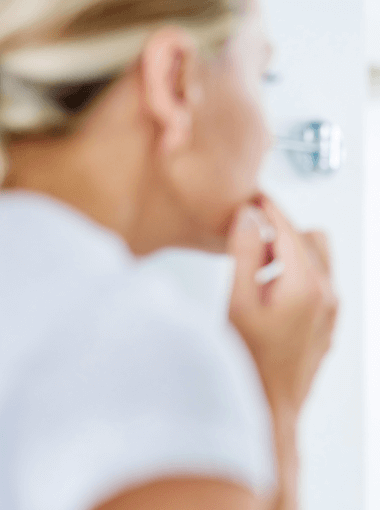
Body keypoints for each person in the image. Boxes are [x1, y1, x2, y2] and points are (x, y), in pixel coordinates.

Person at [0, 1, 337, 510]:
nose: (267, 138)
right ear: (175, 80)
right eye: (261, 76)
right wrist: (270, 404)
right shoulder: (133, 349)